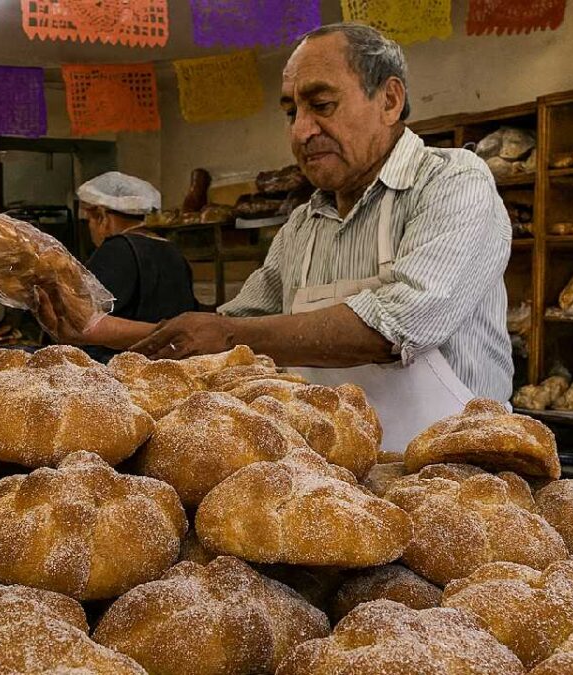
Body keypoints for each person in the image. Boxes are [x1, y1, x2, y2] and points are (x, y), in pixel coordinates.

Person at [75, 24, 514, 449]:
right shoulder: (304, 223)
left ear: (390, 100)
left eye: (321, 105)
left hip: (457, 483)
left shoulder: (452, 181)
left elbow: (398, 327)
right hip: (336, 482)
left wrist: (227, 335)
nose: (300, 131)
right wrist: (100, 327)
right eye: (291, 112)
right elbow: (224, 334)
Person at [71, 171, 197, 363]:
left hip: (125, 365)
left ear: (102, 216)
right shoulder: (172, 249)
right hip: (174, 361)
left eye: (89, 219)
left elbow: (81, 319)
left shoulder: (116, 250)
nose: (90, 227)